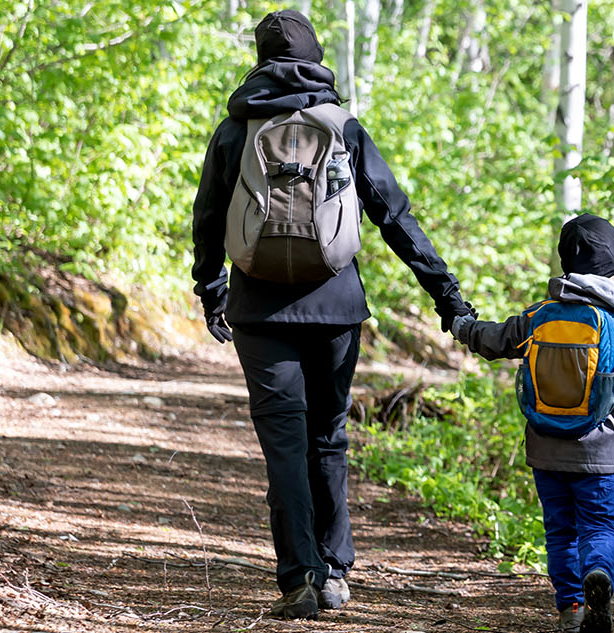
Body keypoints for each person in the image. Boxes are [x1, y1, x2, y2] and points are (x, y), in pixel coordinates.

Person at [189, 10, 475, 619]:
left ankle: (299, 576)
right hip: (338, 305)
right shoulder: (342, 126)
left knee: (284, 445)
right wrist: (447, 296)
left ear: (259, 58)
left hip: (259, 310)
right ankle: (337, 570)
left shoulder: (235, 128)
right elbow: (394, 216)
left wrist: (212, 288)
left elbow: (210, 216)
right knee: (328, 437)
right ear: (317, 56)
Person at [449, 214, 614, 633]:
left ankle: (572, 608)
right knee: (598, 525)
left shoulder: (540, 314)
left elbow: (494, 339)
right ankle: (600, 579)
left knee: (560, 531)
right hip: (598, 447)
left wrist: (462, 325)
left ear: (565, 263)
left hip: (545, 444)